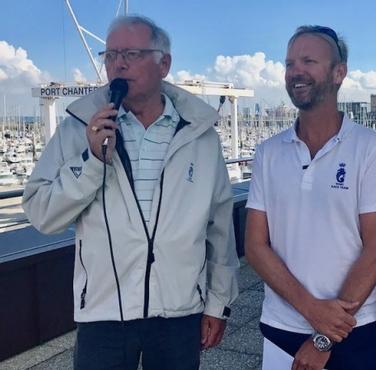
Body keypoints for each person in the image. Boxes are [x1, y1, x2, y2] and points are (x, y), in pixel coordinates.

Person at [22, 15, 238, 370]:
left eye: (132, 54)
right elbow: (42, 214)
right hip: (104, 311)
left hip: (179, 309)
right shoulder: (78, 129)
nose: (118, 63)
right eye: (110, 55)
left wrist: (218, 303)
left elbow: (219, 225)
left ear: (164, 63)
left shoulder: (199, 134)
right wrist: (91, 161)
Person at [245, 25, 376, 370]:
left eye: (309, 61)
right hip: (281, 326)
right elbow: (256, 246)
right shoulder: (268, 153)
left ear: (338, 72)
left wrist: (324, 335)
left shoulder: (371, 149)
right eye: (289, 63)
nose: (295, 71)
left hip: (353, 328)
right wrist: (312, 310)